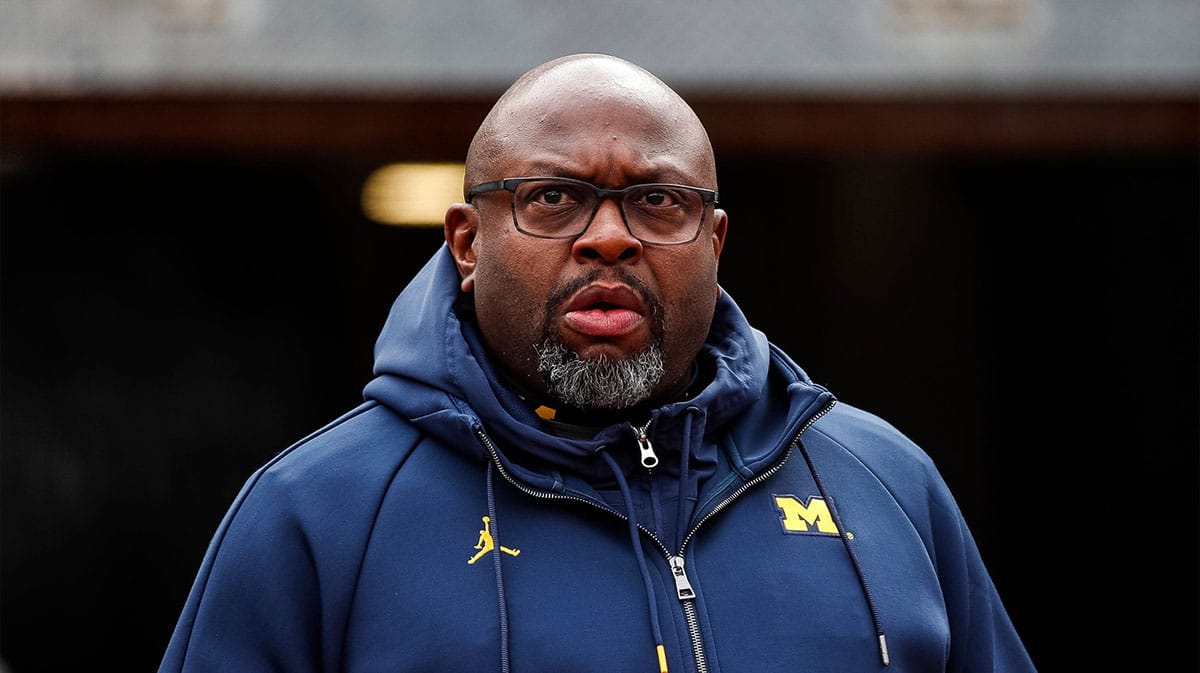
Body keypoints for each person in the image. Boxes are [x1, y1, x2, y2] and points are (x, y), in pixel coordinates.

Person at [157, 53, 1037, 673]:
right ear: (467, 242)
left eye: (657, 201)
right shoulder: (316, 513)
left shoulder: (885, 484)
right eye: (552, 198)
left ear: (714, 241)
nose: (609, 237)